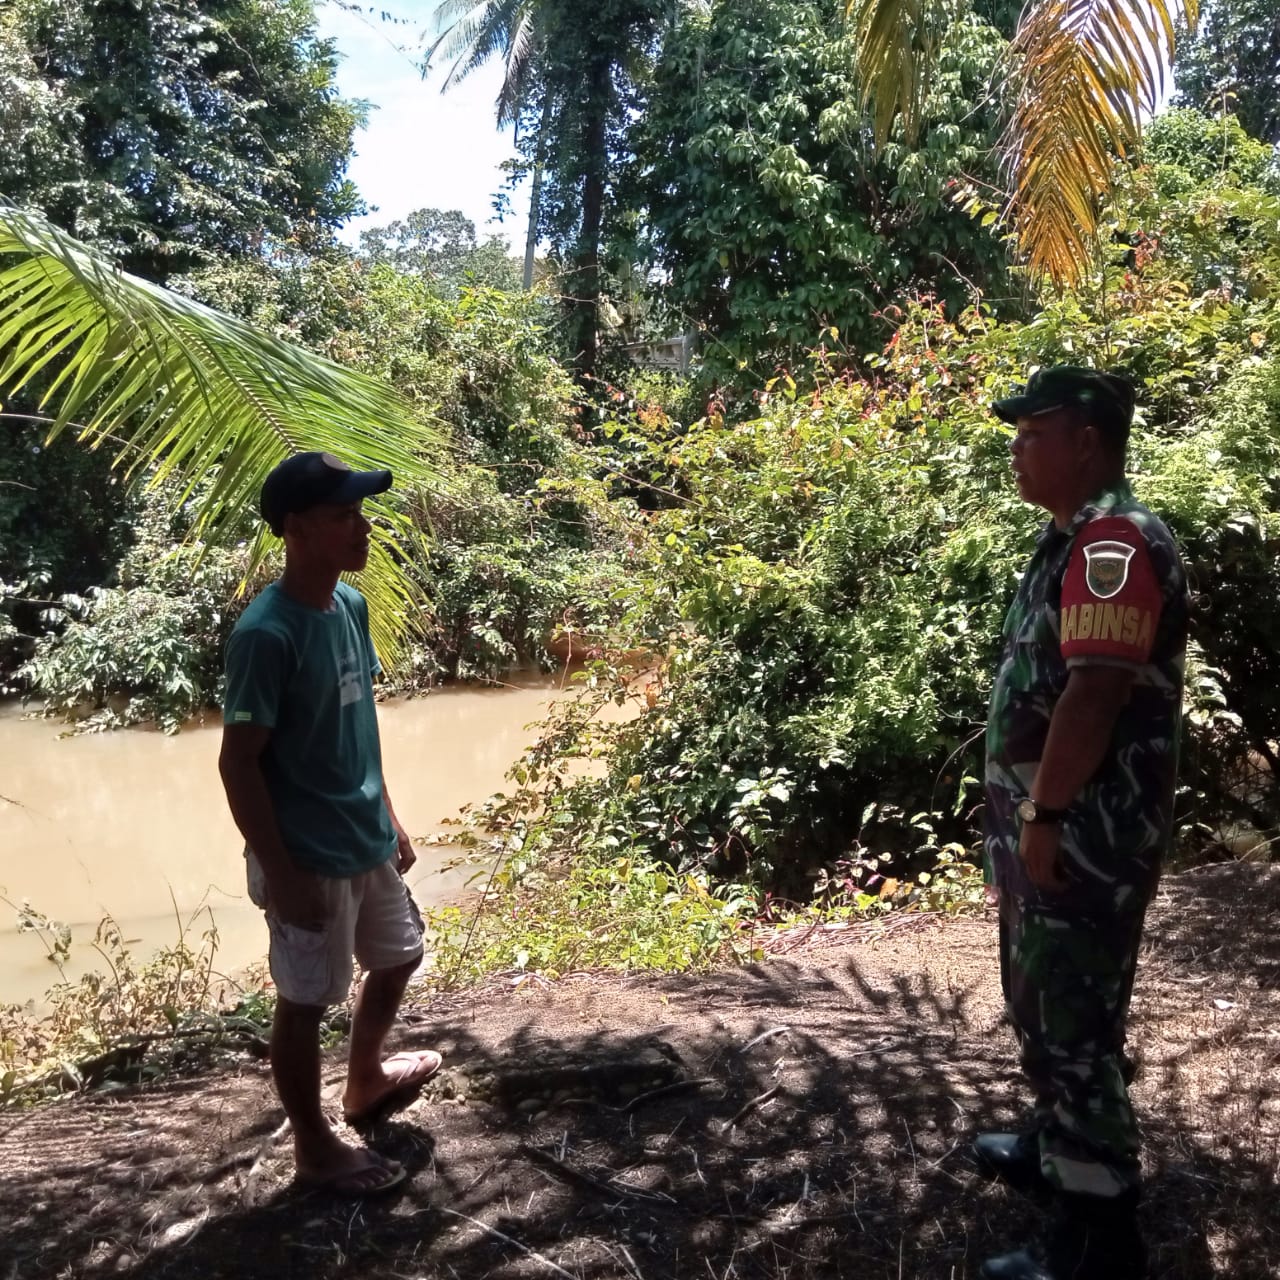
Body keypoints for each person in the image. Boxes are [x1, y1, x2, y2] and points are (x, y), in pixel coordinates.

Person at [977, 368, 1189, 1279]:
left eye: (1035, 432)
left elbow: (1096, 692)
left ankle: (1098, 1235)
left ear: (1088, 442)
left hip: (1084, 831)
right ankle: (1055, 1143)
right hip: (1053, 827)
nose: (1018, 448)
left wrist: (1048, 812)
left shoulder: (1114, 542)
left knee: (1072, 1016)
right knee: (1046, 998)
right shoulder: (1069, 539)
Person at [219, 451, 441, 1196]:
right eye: (344, 515)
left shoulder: (348, 606)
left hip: (362, 832)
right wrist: (282, 874)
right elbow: (238, 764)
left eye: (360, 513)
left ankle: (365, 1079)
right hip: (307, 853)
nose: (362, 528)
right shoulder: (266, 634)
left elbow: (355, 723)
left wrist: (390, 814)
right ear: (296, 530)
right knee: (306, 1001)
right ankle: (314, 1146)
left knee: (400, 954)